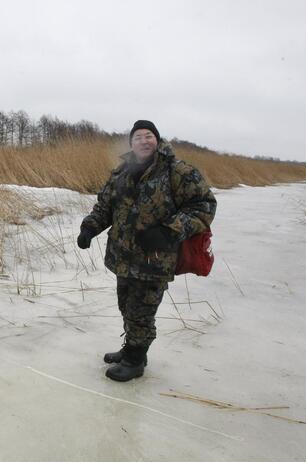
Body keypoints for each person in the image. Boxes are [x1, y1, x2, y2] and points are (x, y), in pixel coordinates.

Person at [77, 120, 216, 382]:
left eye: (148, 135)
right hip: (122, 256)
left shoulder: (177, 171)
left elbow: (204, 205)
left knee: (142, 310)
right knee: (126, 305)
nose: (144, 140)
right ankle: (132, 347)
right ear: (131, 143)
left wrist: (169, 231)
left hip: (155, 259)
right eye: (138, 136)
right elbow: (105, 206)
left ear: (157, 140)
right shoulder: (121, 173)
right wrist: (89, 229)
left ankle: (135, 360)